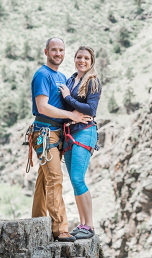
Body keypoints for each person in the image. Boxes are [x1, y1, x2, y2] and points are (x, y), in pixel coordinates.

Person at [30, 37, 92, 242]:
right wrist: (72, 116)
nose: (58, 53)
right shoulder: (42, 75)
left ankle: (37, 221)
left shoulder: (61, 76)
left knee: (44, 178)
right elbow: (43, 107)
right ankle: (60, 230)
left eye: (61, 50)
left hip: (57, 133)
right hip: (45, 133)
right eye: (54, 50)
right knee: (55, 178)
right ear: (46, 52)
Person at [58, 46, 101, 239]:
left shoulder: (93, 82)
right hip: (69, 133)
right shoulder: (70, 80)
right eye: (79, 57)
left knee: (77, 178)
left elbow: (90, 110)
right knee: (75, 183)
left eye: (86, 58)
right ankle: (83, 224)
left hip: (85, 132)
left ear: (91, 62)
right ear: (74, 59)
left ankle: (89, 226)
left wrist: (68, 97)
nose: (82, 61)